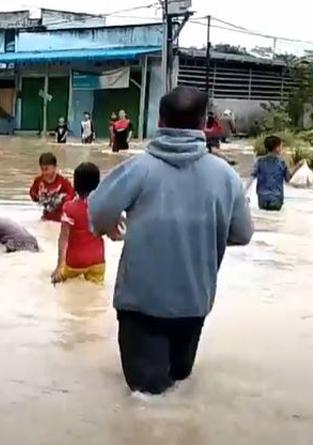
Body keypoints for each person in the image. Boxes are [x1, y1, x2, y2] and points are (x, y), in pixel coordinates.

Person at [88, 86, 253, 395]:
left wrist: (109, 227)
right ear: (204, 123)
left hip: (141, 307)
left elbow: (97, 211)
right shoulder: (226, 176)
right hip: (193, 307)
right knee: (177, 392)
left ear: (160, 121)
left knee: (145, 402)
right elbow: (242, 234)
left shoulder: (138, 169)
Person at [51, 162, 106, 285]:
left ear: (75, 185)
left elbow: (63, 238)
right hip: (98, 261)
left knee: (61, 288)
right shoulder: (101, 207)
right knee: (95, 294)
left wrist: (59, 266)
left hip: (75, 262)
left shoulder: (69, 208)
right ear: (98, 185)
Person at [247, 135, 293, 211]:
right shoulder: (282, 162)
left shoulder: (259, 161)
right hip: (276, 198)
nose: (282, 148)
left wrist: (243, 193)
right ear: (277, 148)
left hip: (262, 198)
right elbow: (288, 179)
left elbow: (251, 178)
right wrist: (297, 167)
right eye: (281, 146)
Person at [29, 152, 75, 222]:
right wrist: (38, 197)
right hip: (46, 218)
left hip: (60, 220)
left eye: (46, 169)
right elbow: (32, 194)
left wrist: (61, 198)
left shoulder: (63, 182)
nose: (44, 172)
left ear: (55, 167)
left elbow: (72, 197)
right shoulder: (38, 180)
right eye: (42, 169)